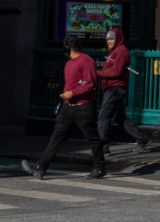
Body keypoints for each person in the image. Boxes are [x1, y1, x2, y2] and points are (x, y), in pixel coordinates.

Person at [22, 37, 106, 180]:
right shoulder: (68, 64)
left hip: (83, 107)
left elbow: (90, 84)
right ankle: (41, 166)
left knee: (92, 138)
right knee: (57, 137)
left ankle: (99, 168)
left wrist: (72, 93)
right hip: (68, 107)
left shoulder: (87, 61)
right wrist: (66, 96)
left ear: (67, 49)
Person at [97, 29, 150, 155]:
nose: (109, 41)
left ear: (118, 39)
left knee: (103, 117)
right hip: (114, 89)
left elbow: (117, 72)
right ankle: (142, 139)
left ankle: (102, 148)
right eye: (108, 39)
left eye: (112, 38)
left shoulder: (121, 51)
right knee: (121, 119)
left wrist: (97, 72)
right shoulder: (114, 52)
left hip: (115, 89)